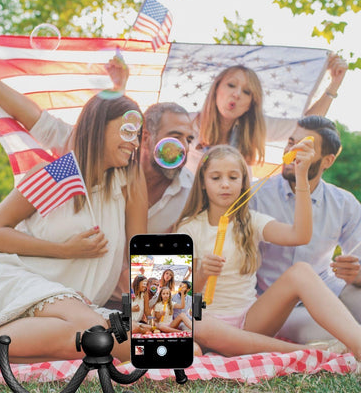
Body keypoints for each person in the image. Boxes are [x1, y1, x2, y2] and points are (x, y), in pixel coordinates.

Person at [0, 90, 147, 362]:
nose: (134, 141)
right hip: (10, 281)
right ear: (98, 126)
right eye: (127, 131)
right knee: (92, 332)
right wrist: (64, 250)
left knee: (118, 342)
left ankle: (6, 350)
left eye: (138, 134)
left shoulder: (129, 179)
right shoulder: (59, 173)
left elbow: (141, 253)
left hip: (73, 310)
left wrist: (151, 308)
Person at [175, 144, 361, 360]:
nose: (225, 184)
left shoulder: (251, 220)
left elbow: (300, 235)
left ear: (243, 182)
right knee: (198, 325)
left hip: (250, 321)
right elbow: (183, 298)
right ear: (203, 184)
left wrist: (301, 177)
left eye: (233, 177)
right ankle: (314, 354)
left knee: (301, 271)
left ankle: (358, 343)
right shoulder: (188, 228)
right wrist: (202, 274)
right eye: (216, 178)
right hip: (209, 323)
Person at [249, 116, 361, 343]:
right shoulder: (255, 194)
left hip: (328, 290)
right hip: (277, 302)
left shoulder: (344, 203)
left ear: (327, 161)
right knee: (332, 337)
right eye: (291, 143)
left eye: (305, 147)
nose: (292, 151)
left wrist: (358, 275)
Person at [186, 54, 348, 172]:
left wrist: (334, 84)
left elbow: (308, 125)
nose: (237, 94)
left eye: (247, 92)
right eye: (231, 85)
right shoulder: (186, 123)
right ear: (216, 88)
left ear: (251, 103)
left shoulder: (255, 127)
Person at [140, 102, 195, 233]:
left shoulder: (192, 191)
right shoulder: (116, 179)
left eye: (189, 140)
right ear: (145, 138)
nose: (186, 148)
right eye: (176, 138)